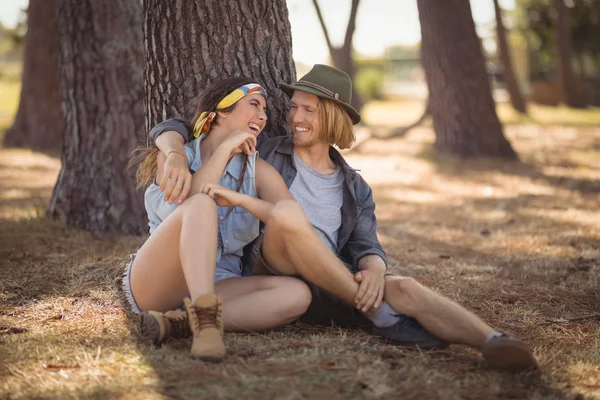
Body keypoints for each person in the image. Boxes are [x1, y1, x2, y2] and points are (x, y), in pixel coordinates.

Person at [148, 65, 538, 371]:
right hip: (274, 262)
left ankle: (491, 341)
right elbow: (187, 128)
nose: (293, 116)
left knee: (405, 287)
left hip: (324, 280)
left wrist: (373, 268)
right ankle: (376, 313)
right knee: (287, 218)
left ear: (333, 118)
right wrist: (176, 151)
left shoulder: (354, 188)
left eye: (307, 110)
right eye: (293, 106)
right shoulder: (266, 151)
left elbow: (366, 244)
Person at [123, 77, 313, 362]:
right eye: (254, 105)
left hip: (220, 282)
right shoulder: (175, 157)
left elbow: (294, 220)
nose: (262, 116)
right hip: (158, 280)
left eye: (265, 110)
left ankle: (182, 322)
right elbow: (188, 203)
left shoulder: (257, 171)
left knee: (297, 294)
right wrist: (224, 150)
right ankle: (206, 330)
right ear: (223, 110)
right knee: (201, 202)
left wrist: (244, 200)